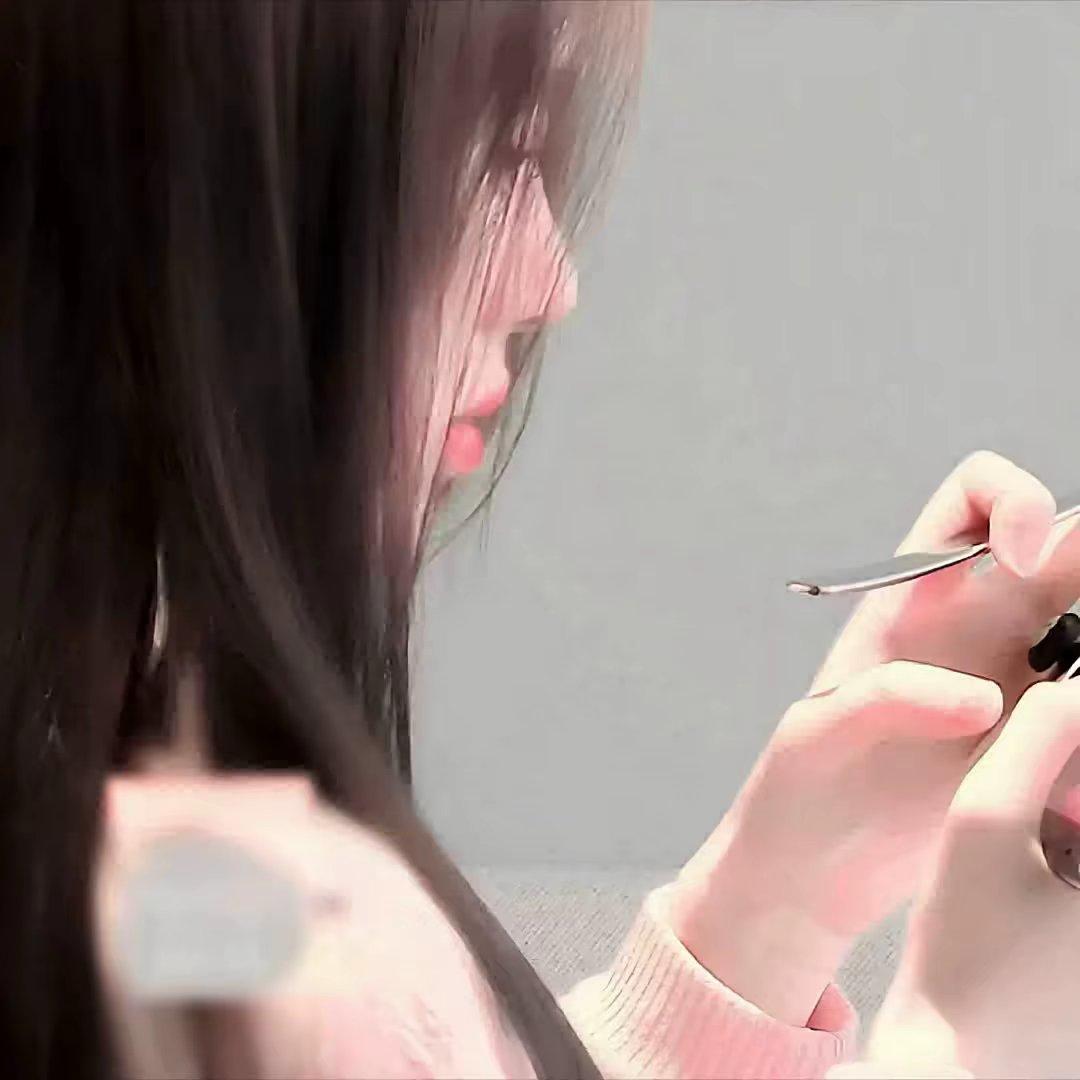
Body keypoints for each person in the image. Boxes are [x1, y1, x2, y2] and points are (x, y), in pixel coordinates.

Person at [3, 2, 1080, 1078]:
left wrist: (778, 906)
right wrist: (965, 1050)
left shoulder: (126, 838)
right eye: (494, 155)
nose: (548, 282)